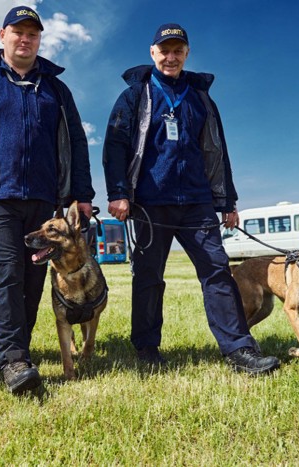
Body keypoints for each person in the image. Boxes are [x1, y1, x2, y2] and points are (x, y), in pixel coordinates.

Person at [102, 23, 280, 375]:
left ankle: (239, 350)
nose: (171, 57)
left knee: (217, 272)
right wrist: (119, 193)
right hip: (151, 203)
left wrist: (226, 200)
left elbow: (217, 150)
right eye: (164, 50)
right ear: (153, 53)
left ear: (186, 54)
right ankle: (147, 348)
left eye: (178, 51)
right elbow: (115, 146)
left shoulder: (200, 97)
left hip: (197, 202)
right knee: (149, 276)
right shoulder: (135, 95)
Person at [0, 6, 94, 394]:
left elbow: (76, 141)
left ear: (39, 40)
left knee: (34, 278)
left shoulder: (56, 89)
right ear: (2, 35)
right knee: (6, 273)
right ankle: (13, 360)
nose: (25, 39)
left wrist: (82, 195)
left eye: (33, 34)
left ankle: (20, 350)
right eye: (18, 32)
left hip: (44, 200)